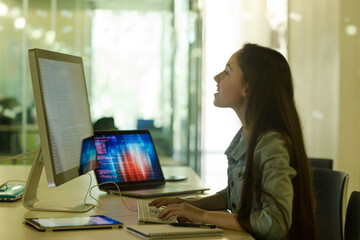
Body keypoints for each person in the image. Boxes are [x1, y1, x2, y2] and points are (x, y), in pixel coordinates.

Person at [149, 43, 318, 239]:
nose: (217, 77)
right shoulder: (247, 133)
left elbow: (275, 224)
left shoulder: (271, 143)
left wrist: (203, 216)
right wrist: (189, 204)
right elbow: (237, 194)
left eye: (227, 72)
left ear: (247, 88)